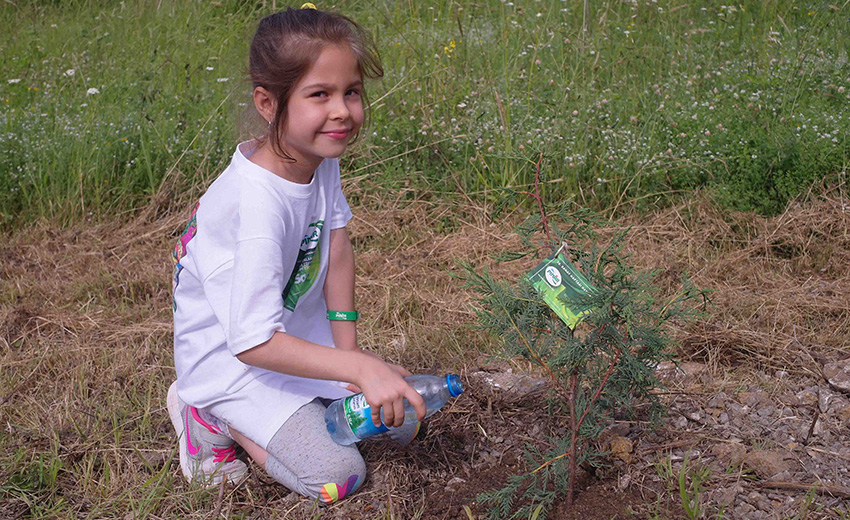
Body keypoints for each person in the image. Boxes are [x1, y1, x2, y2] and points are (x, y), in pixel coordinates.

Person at [166, 5, 426, 505]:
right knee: (337, 477)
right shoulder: (256, 209)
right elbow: (251, 342)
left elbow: (337, 245)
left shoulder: (314, 157)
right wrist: (357, 372)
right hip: (236, 363)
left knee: (405, 425)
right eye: (319, 95)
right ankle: (207, 414)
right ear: (268, 103)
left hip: (290, 343)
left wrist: (348, 358)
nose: (342, 111)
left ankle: (302, 404)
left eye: (351, 91)